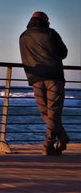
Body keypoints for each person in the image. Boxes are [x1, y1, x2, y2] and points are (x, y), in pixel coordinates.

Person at [19, 11, 69, 156]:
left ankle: (57, 141)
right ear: (45, 21)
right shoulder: (51, 33)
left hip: (35, 78)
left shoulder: (23, 36)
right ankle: (50, 144)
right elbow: (63, 53)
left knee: (45, 112)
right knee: (53, 112)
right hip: (54, 77)